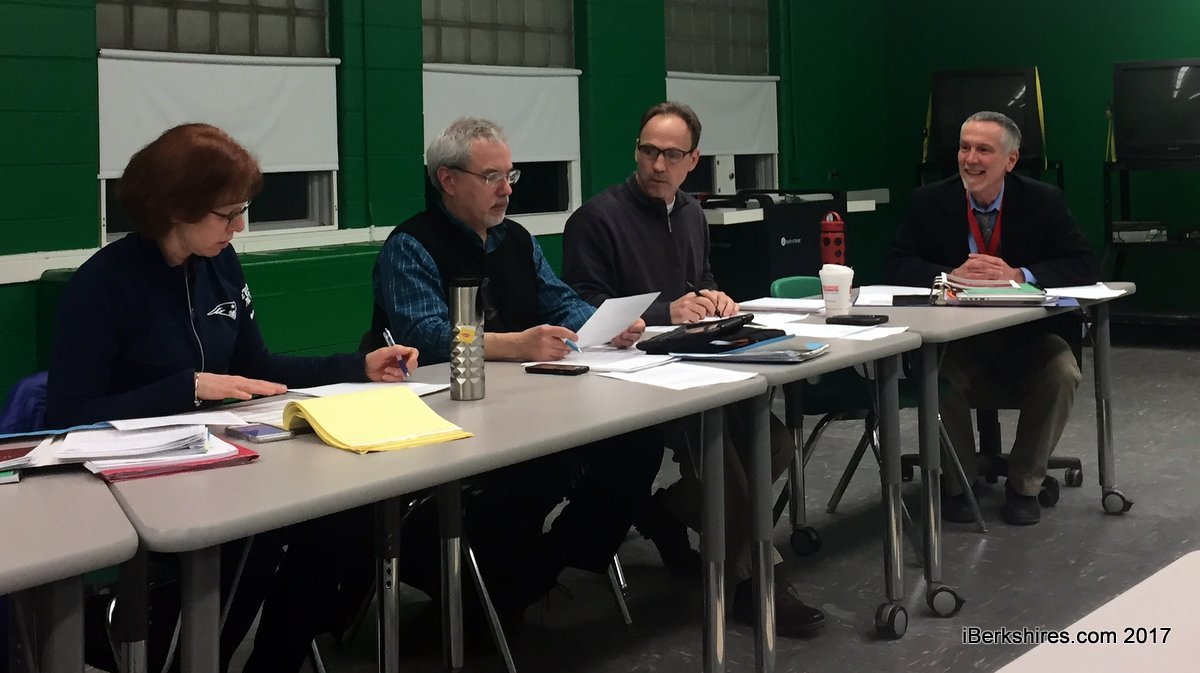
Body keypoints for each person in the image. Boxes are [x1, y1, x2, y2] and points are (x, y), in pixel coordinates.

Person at [45, 123, 419, 673]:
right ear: (175, 209)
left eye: (242, 211)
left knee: (343, 515)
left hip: (218, 462)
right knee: (254, 536)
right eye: (227, 214)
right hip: (134, 481)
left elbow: (256, 369)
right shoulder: (102, 286)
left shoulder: (219, 263)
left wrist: (356, 367)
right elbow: (67, 415)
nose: (239, 227)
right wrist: (187, 386)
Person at [369, 117, 662, 627]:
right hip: (450, 414)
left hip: (527, 405)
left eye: (510, 175)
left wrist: (606, 326)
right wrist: (514, 344)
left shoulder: (517, 239)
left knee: (637, 443)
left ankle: (543, 566)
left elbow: (561, 301)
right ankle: (500, 585)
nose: (506, 189)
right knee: (534, 471)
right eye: (491, 177)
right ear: (447, 179)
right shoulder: (411, 245)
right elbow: (425, 337)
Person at [561, 101, 826, 637]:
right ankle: (755, 580)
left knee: (773, 445)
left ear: (693, 160)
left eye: (672, 155)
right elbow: (582, 306)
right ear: (636, 150)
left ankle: (663, 512)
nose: (658, 164)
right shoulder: (596, 219)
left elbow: (698, 279)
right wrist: (667, 312)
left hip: (694, 362)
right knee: (720, 454)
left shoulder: (689, 213)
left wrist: (713, 297)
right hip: (627, 376)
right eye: (648, 151)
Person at [883, 110, 1097, 525]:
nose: (970, 159)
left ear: (1010, 160)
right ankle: (959, 484)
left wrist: (1020, 275)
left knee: (1062, 372)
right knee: (935, 376)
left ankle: (1025, 485)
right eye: (964, 148)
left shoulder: (1043, 200)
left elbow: (1082, 263)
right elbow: (895, 264)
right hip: (956, 340)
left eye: (983, 150)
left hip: (1027, 338)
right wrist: (948, 275)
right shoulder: (929, 200)